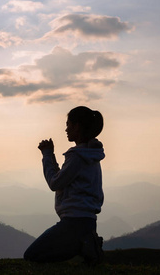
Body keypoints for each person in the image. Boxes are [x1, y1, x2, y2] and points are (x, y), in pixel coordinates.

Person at [24, 106, 105, 265]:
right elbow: (63, 179)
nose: (66, 129)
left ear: (77, 126)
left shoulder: (77, 157)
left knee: (32, 255)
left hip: (74, 223)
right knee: (38, 254)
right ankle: (86, 246)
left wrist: (47, 155)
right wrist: (51, 156)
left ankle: (83, 251)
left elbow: (55, 183)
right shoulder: (90, 155)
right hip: (86, 222)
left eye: (68, 124)